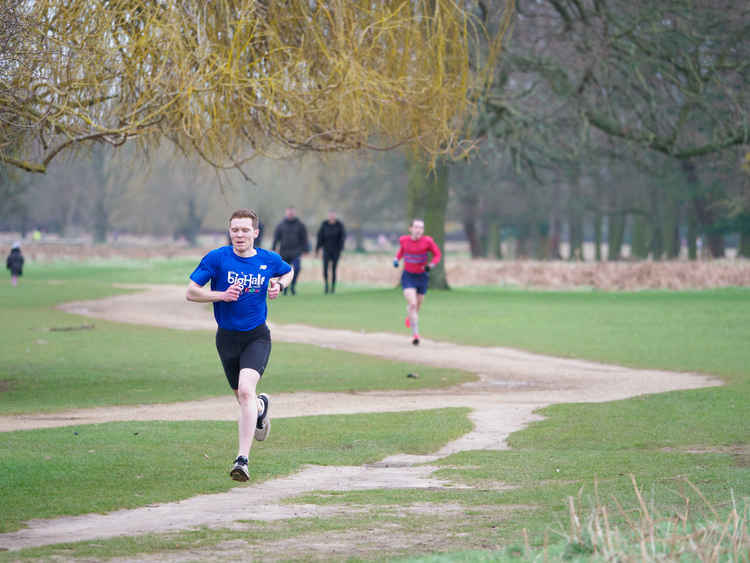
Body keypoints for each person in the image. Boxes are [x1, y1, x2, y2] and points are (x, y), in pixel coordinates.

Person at [186, 208, 293, 482]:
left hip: (256, 336)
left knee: (246, 391)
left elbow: (288, 270)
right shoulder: (217, 258)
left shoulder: (268, 259)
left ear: (255, 233)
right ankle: (261, 408)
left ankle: (242, 460)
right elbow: (191, 292)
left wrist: (279, 285)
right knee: (243, 398)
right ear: (230, 232)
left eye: (245, 230)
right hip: (226, 339)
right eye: (235, 229)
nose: (240, 235)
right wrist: (221, 295)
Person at [393, 219, 442, 346]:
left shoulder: (428, 241)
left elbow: (437, 255)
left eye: (421, 227)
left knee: (417, 307)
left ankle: (410, 315)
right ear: (411, 229)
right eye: (416, 227)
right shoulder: (403, 240)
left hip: (422, 277)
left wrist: (431, 265)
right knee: (413, 304)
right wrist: (396, 259)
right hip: (408, 276)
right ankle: (416, 335)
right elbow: (402, 251)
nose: (418, 230)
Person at [272, 206, 309, 295]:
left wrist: (306, 249)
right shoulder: (281, 225)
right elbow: (276, 238)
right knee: (284, 271)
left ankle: (292, 286)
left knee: (297, 268)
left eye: (292, 212)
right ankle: (284, 287)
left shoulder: (300, 225)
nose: (290, 213)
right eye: (289, 212)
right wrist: (273, 248)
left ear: (294, 213)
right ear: (286, 212)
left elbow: (304, 238)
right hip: (284, 252)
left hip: (296, 251)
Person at [315, 211, 346, 294]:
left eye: (333, 215)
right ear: (328, 216)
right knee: (325, 269)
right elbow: (320, 237)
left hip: (336, 250)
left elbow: (342, 238)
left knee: (334, 269)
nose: (332, 217)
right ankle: (326, 286)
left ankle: (333, 287)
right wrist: (317, 249)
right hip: (326, 250)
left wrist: (341, 250)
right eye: (330, 215)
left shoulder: (339, 225)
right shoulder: (324, 225)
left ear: (335, 216)